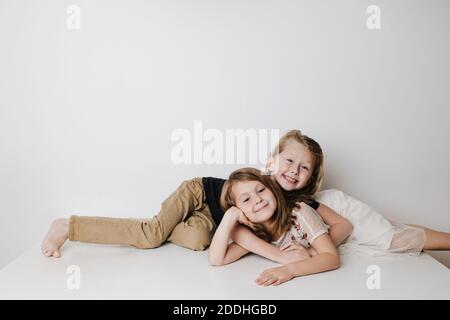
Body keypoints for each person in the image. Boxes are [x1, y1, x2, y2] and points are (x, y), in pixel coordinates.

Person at [209, 167, 340, 286]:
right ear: (239, 210)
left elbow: (331, 257)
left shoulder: (299, 212)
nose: (258, 199)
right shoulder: (253, 232)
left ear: (272, 189)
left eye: (261, 190)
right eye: (246, 199)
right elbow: (217, 259)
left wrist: (289, 270)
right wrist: (230, 215)